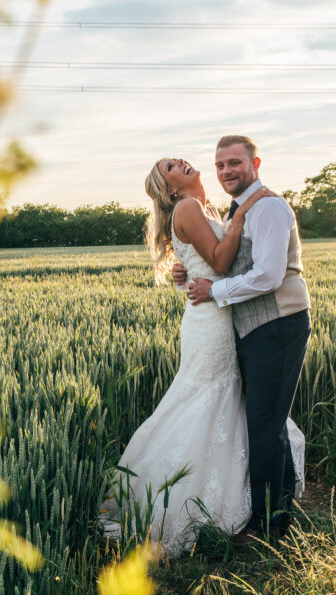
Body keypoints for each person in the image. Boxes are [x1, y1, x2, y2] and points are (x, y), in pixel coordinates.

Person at [98, 154, 305, 557]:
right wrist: (242, 217)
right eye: (171, 168)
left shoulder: (205, 207)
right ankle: (200, 502)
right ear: (170, 188)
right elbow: (221, 261)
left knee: (230, 400)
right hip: (211, 323)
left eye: (178, 159)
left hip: (220, 314)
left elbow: (204, 267)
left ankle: (255, 502)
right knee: (208, 398)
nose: (182, 163)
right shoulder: (190, 206)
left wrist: (189, 275)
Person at [181, 134, 312, 541]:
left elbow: (269, 276)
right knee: (265, 422)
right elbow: (231, 259)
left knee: (264, 426)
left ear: (256, 164)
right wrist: (191, 274)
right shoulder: (240, 209)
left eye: (234, 163)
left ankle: (269, 525)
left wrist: (214, 291)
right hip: (256, 327)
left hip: (278, 325)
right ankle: (282, 511)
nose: (226, 172)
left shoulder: (269, 207)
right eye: (220, 165)